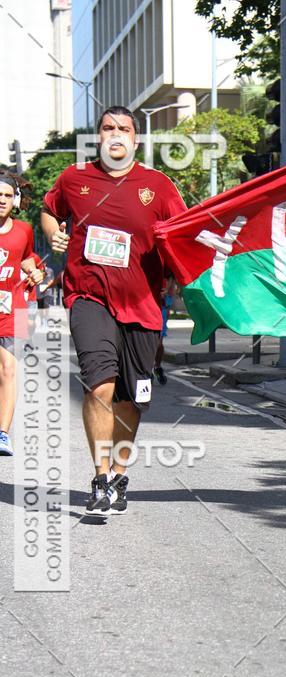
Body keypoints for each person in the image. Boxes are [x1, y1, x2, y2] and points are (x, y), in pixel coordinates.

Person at [41, 105, 186, 515]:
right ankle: (100, 476)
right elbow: (50, 211)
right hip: (89, 296)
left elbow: (183, 234)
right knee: (99, 383)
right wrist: (55, 234)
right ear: (98, 136)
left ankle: (120, 473)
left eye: (124, 128)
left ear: (135, 139)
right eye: (108, 128)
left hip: (142, 304)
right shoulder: (75, 178)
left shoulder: (157, 186)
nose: (115, 134)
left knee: (131, 398)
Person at [0, 173, 44, 456]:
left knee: (8, 369)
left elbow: (27, 258)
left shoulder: (24, 230)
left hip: (14, 310)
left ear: (14, 200)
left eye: (6, 196)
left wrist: (34, 270)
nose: (0, 201)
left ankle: (2, 434)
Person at [153, 275, 174, 386]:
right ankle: (147, 368)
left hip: (162, 307)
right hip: (148, 305)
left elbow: (171, 277)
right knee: (150, 341)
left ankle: (157, 366)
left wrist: (167, 290)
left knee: (159, 343)